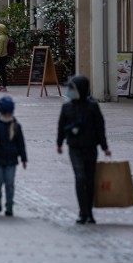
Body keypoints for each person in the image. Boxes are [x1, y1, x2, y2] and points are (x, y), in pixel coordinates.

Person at [57, 76, 111, 224]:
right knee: (80, 178)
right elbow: (61, 125)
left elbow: (100, 127)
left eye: (71, 89)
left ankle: (89, 212)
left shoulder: (92, 106)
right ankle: (83, 211)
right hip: (74, 148)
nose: (69, 92)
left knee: (90, 179)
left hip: (90, 147)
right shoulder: (66, 107)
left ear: (80, 90)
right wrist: (59, 143)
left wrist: (105, 147)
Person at [0, 96, 27, 217]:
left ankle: (9, 205)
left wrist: (24, 158)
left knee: (9, 183)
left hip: (11, 160)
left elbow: (21, 143)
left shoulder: (16, 126)